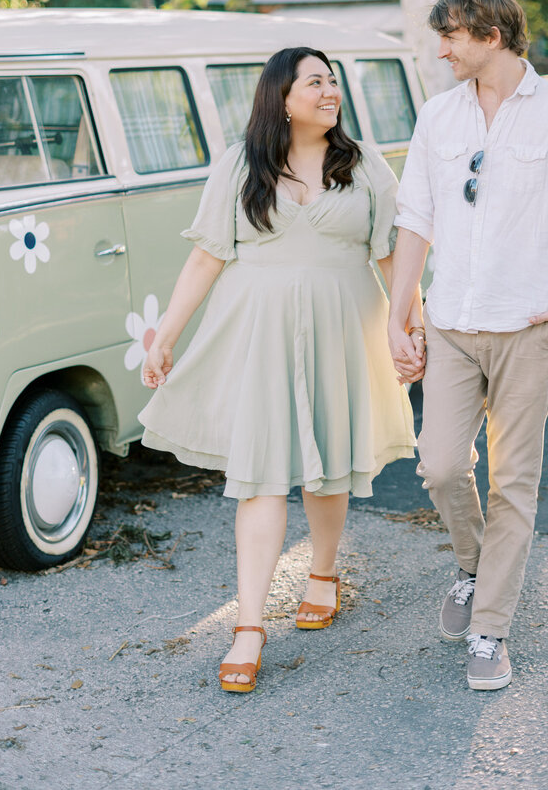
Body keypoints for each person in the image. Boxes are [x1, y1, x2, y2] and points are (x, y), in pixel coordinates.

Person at [140, 47, 422, 693]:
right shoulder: (240, 165)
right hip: (258, 333)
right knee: (260, 474)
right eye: (316, 81)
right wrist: (166, 335)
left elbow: (392, 256)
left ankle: (323, 570)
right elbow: (207, 257)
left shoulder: (364, 163)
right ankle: (248, 625)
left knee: (328, 460)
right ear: (282, 96)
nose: (331, 91)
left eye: (334, 81)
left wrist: (411, 322)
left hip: (343, 328)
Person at [387, 0, 548, 691]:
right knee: (438, 463)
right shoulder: (438, 117)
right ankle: (474, 564)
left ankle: (490, 628)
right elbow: (416, 220)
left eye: (452, 35)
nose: (442, 49)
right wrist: (400, 312)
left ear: (491, 36)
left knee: (515, 484)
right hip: (453, 323)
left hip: (530, 328)